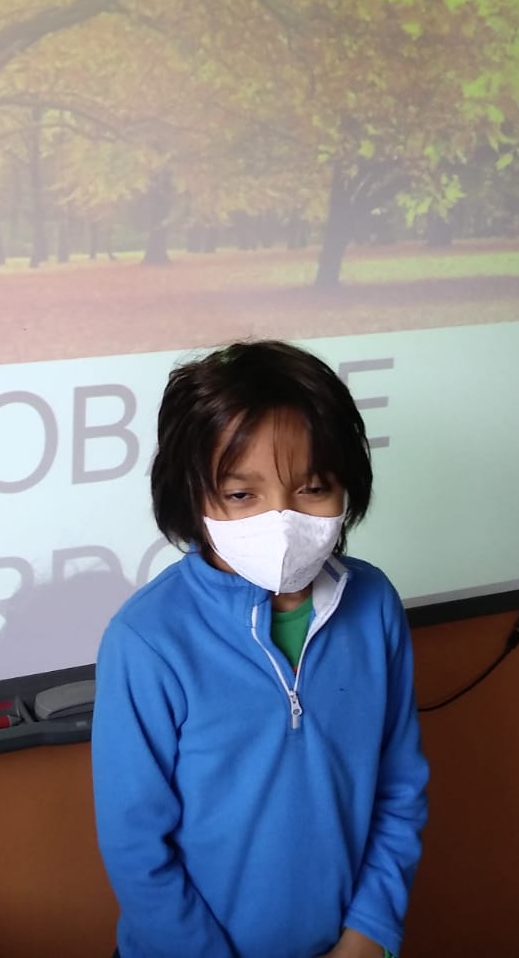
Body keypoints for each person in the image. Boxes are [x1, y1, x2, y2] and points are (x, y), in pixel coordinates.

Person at [92, 340, 428, 958]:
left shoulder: (374, 604)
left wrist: (370, 931)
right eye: (242, 494)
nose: (282, 519)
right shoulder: (147, 640)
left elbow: (399, 785)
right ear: (191, 495)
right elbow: (137, 848)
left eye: (312, 487)